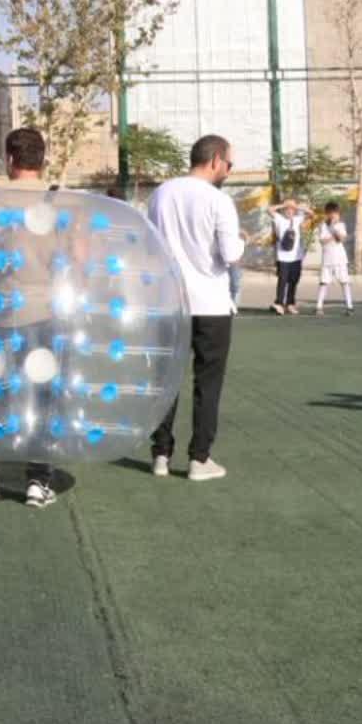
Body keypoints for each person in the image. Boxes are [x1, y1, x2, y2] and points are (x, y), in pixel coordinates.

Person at [0, 126, 62, 508]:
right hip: (44, 314)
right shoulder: (58, 204)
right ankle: (38, 481)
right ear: (43, 159)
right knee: (40, 396)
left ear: (9, 160)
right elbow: (78, 260)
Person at [147, 133, 244, 483]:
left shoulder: (161, 194)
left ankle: (160, 452)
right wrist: (241, 243)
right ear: (216, 159)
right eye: (229, 164)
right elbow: (230, 256)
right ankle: (199, 458)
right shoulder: (218, 202)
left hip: (169, 300)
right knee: (208, 382)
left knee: (165, 380)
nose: (229, 171)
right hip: (210, 304)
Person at [268, 196, 307, 315]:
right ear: (284, 209)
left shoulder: (297, 219)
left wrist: (295, 205)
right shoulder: (279, 218)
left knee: (294, 281)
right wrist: (284, 205)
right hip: (283, 257)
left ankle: (290, 303)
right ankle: (279, 303)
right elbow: (269, 210)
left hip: (296, 257)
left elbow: (311, 213)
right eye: (287, 208)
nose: (290, 210)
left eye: (292, 209)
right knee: (283, 280)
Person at [313, 202, 353, 315]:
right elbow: (322, 241)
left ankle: (349, 306)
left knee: (344, 281)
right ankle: (319, 307)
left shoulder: (341, 225)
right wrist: (332, 235)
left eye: (336, 213)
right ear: (327, 213)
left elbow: (341, 238)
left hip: (340, 258)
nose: (334, 215)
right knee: (324, 282)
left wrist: (335, 229)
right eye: (331, 213)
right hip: (327, 259)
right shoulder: (322, 225)